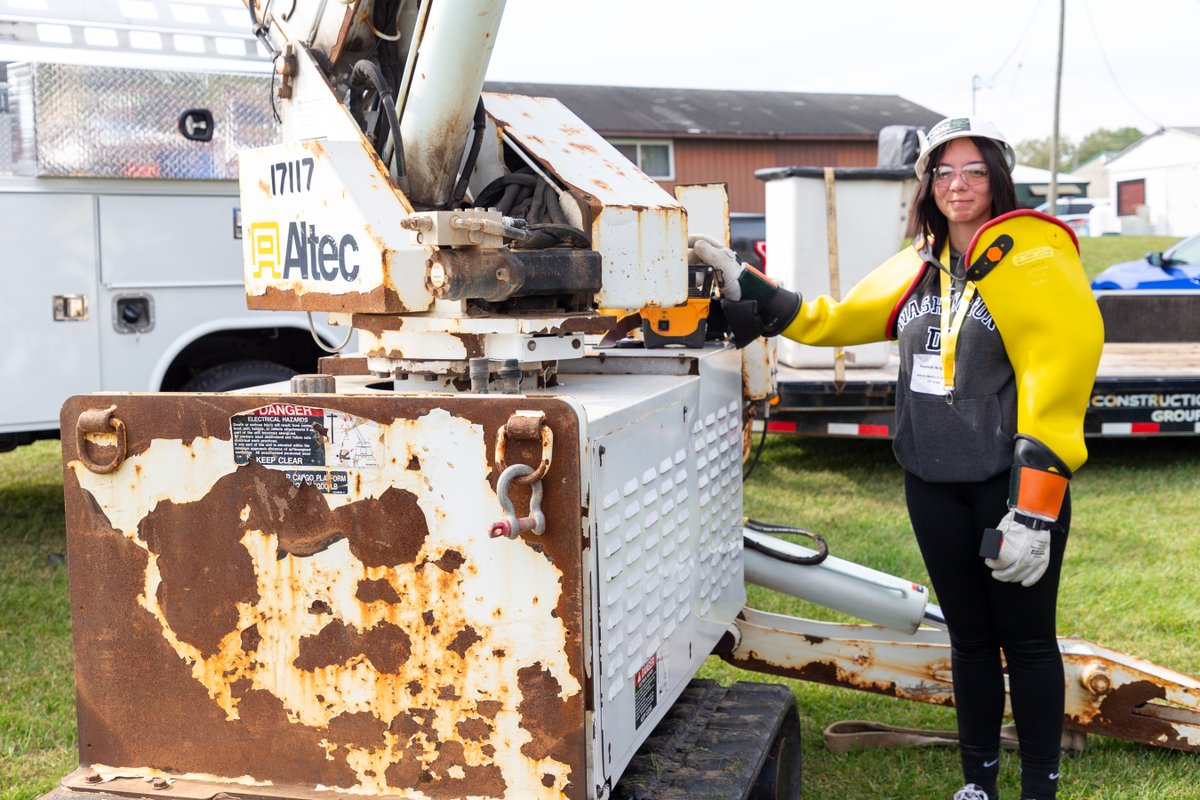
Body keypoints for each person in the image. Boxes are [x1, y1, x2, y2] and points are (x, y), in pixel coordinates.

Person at [698, 116, 1104, 800]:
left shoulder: (1035, 261)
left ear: (998, 180)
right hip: (932, 481)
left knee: (1028, 642)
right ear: (927, 184)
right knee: (969, 639)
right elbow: (831, 319)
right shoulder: (918, 263)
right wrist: (750, 286)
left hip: (1009, 488)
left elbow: (1060, 376)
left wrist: (1034, 510)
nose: (957, 185)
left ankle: (1040, 790)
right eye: (943, 172)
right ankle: (978, 785)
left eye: (974, 171)